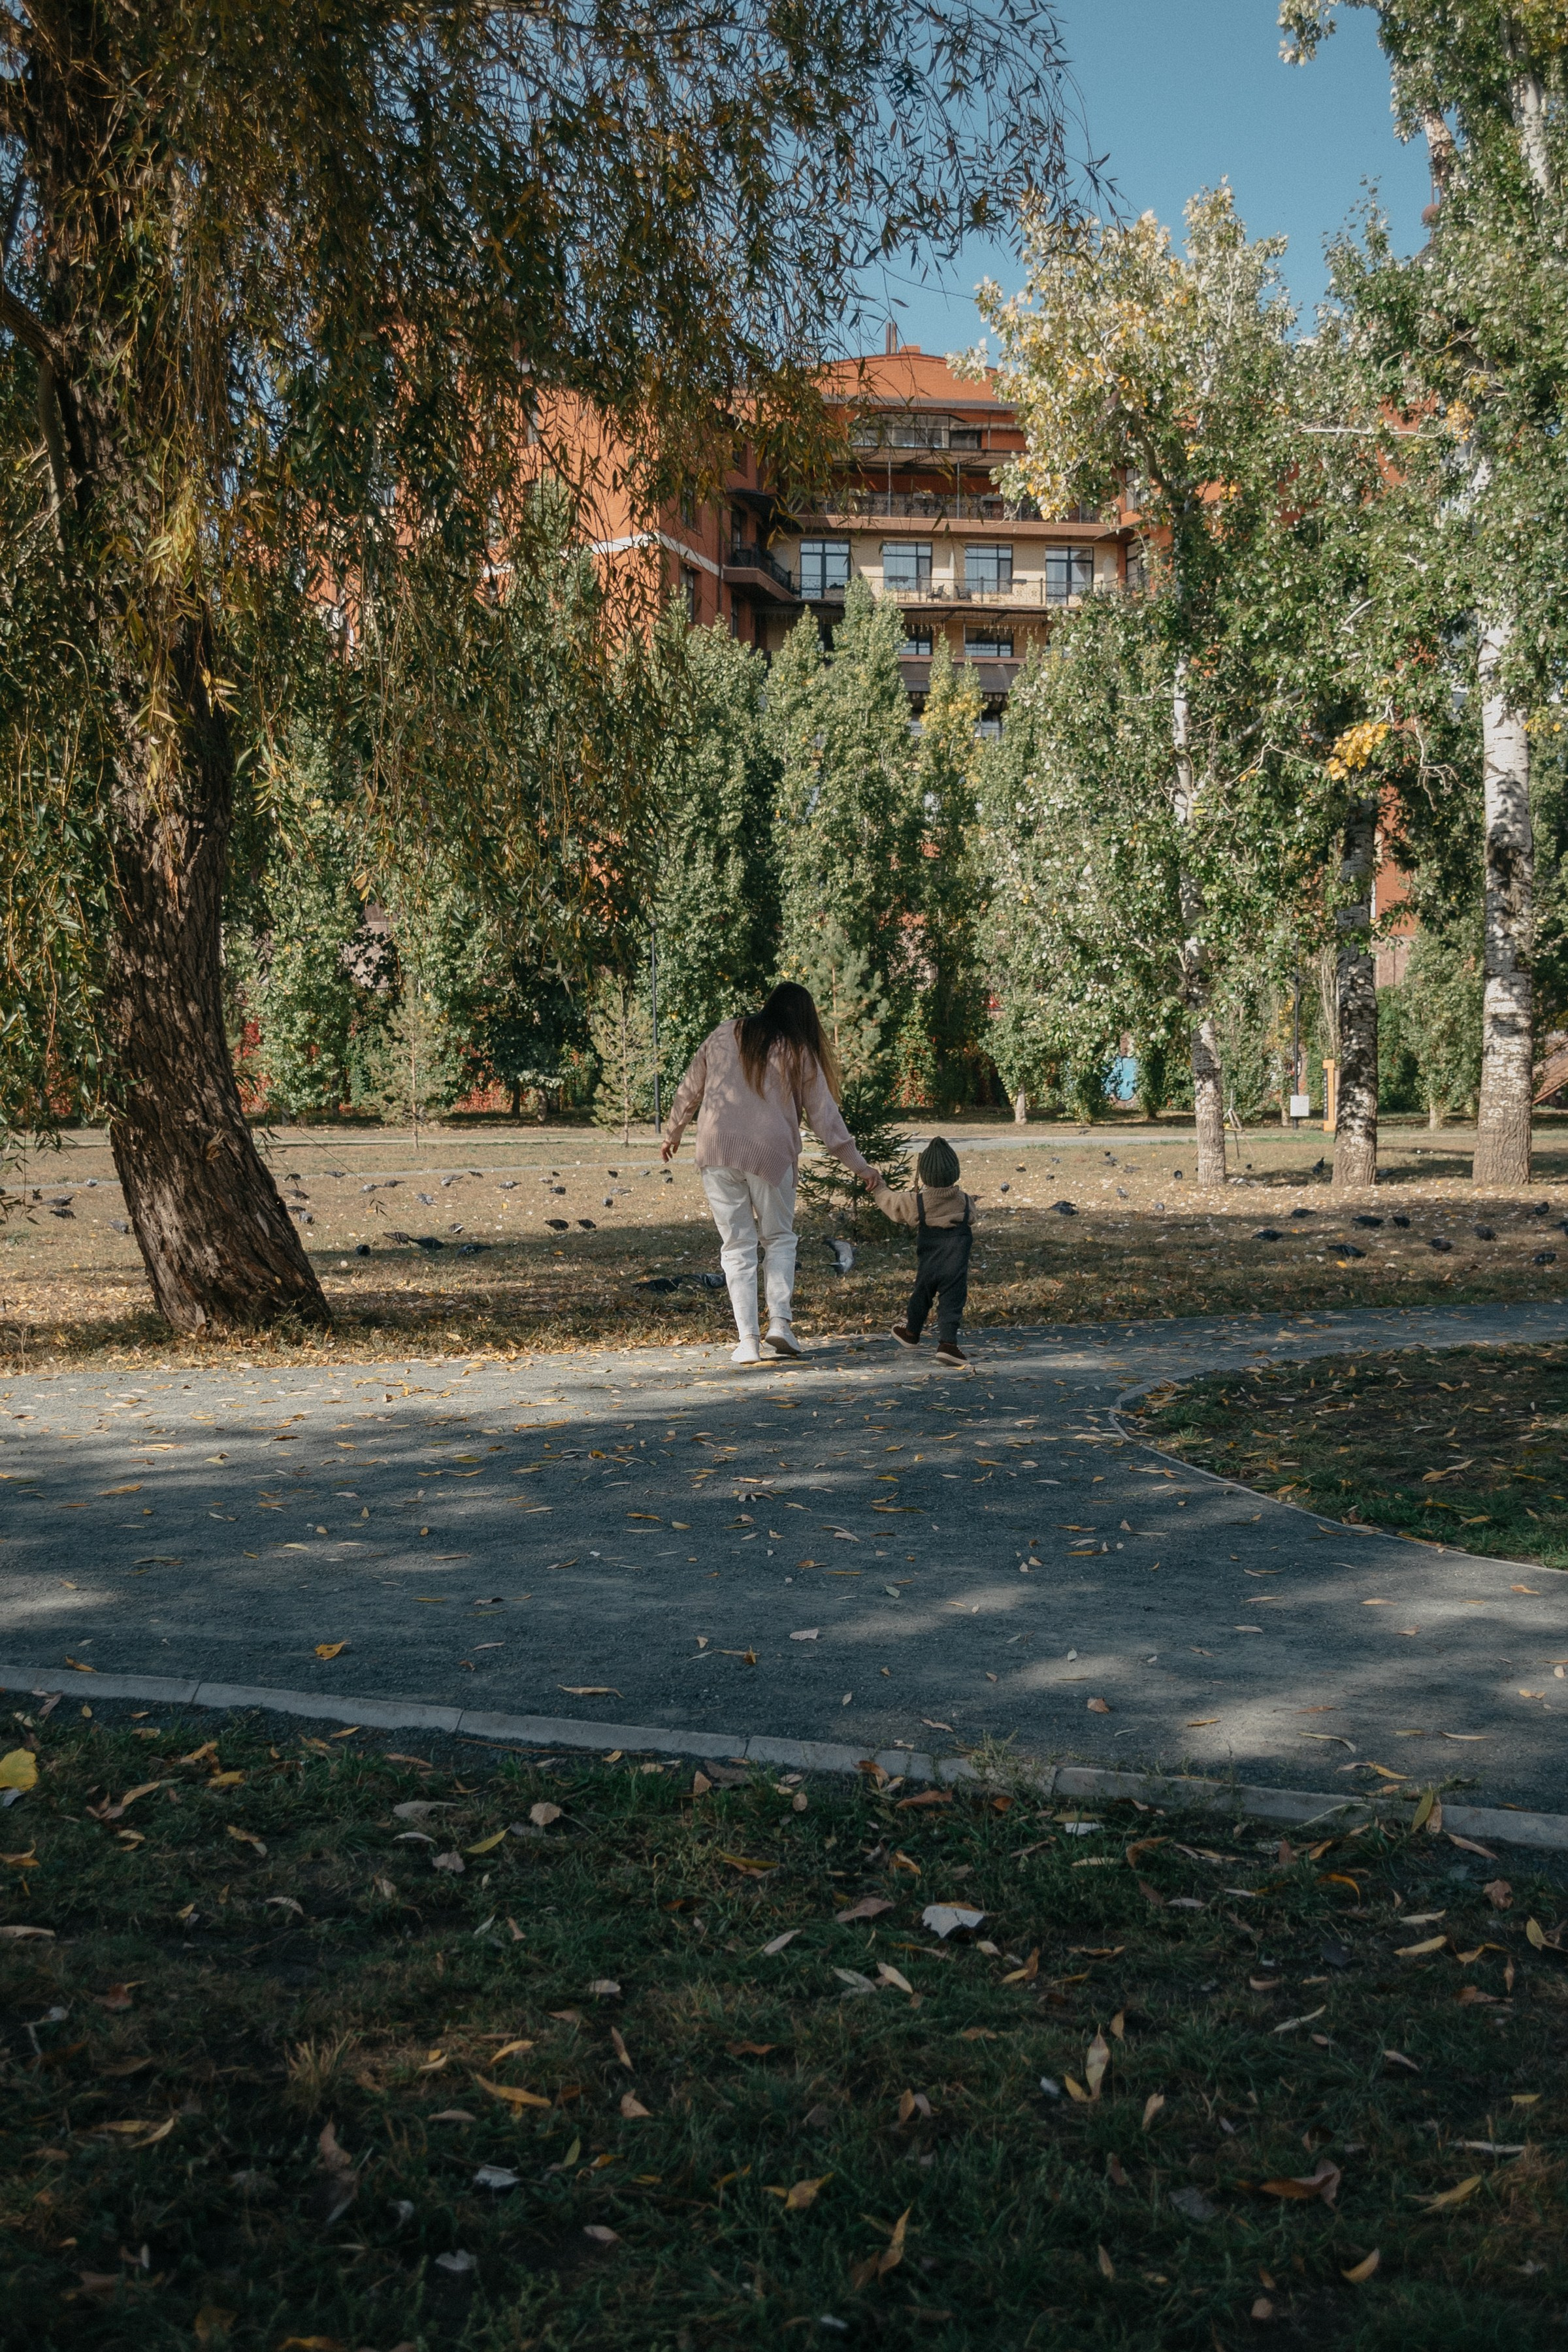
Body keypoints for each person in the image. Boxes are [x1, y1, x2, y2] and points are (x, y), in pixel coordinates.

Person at [662, 983, 878, 1365]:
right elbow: (826, 1118)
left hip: (716, 1151)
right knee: (778, 1238)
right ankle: (780, 1323)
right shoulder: (799, 1050)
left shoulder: (724, 1033)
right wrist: (861, 1167)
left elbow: (690, 1088)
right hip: (771, 1156)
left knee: (737, 1246)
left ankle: (747, 1342)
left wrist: (673, 1133)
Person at [870, 1135, 975, 1369]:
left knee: (921, 1296)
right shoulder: (966, 1202)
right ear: (954, 1173)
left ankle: (911, 1332)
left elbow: (891, 1203)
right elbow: (973, 1218)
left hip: (930, 1265)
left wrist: (879, 1187)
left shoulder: (916, 1202)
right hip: (956, 1267)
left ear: (925, 1175)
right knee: (952, 1303)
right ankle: (948, 1344)